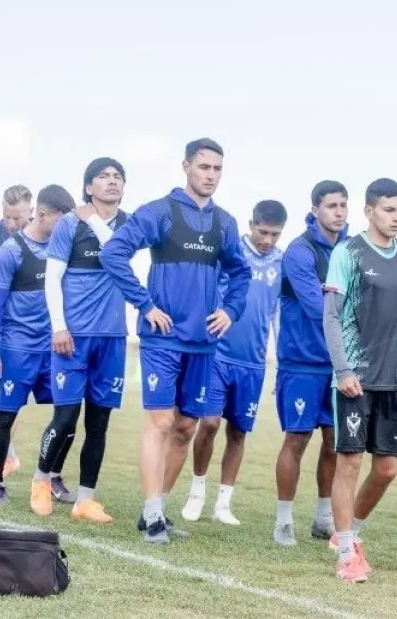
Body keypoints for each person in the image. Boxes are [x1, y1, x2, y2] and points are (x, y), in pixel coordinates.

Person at [100, 138, 251, 544]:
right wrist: (145, 304)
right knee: (162, 422)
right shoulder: (159, 212)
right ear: (186, 166)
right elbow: (113, 253)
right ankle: (152, 514)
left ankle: (157, 510)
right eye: (204, 167)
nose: (211, 175)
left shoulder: (225, 223)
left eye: (217, 169)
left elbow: (241, 273)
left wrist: (231, 310)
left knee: (186, 427)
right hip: (163, 339)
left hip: (204, 342)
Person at [322, 178, 397, 583]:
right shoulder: (347, 252)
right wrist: (343, 370)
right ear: (369, 211)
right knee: (349, 463)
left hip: (394, 380)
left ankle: (348, 533)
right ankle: (347, 554)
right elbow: (331, 315)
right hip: (356, 379)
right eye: (389, 210)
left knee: (386, 470)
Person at [180, 200, 287, 526]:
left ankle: (223, 504)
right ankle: (197, 492)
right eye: (262, 232)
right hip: (218, 354)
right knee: (210, 423)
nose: (267, 240)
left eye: (275, 234)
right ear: (251, 224)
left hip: (253, 362)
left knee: (238, 433)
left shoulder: (281, 262)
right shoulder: (232, 253)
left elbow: (277, 314)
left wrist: (281, 362)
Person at [34, 159, 128, 523]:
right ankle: (40, 482)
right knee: (66, 416)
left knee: (99, 423)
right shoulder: (69, 224)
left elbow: (119, 255)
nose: (112, 181)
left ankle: (85, 501)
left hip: (112, 337)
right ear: (89, 187)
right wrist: (59, 326)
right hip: (72, 337)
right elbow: (52, 279)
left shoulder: (128, 224)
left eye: (117, 177)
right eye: (103, 176)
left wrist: (95, 222)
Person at [271, 182, 348, 546]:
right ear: (315, 209)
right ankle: (284, 521)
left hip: (340, 364)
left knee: (335, 441)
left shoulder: (352, 250)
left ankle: (323, 518)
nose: (339, 212)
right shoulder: (299, 252)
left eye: (343, 205)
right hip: (301, 362)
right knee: (297, 439)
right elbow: (319, 309)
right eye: (331, 205)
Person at [0, 185, 76, 503]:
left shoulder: (63, 248)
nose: (67, 228)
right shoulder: (10, 251)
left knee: (68, 413)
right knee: (5, 416)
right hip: (17, 348)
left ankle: (52, 476)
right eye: (62, 221)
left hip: (54, 348)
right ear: (42, 215)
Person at [0, 184, 35, 480]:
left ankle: (5, 456)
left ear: (31, 212)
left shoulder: (42, 239)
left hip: (20, 332)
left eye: (17, 218)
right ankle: (6, 454)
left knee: (4, 397)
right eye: (6, 216)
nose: (10, 223)